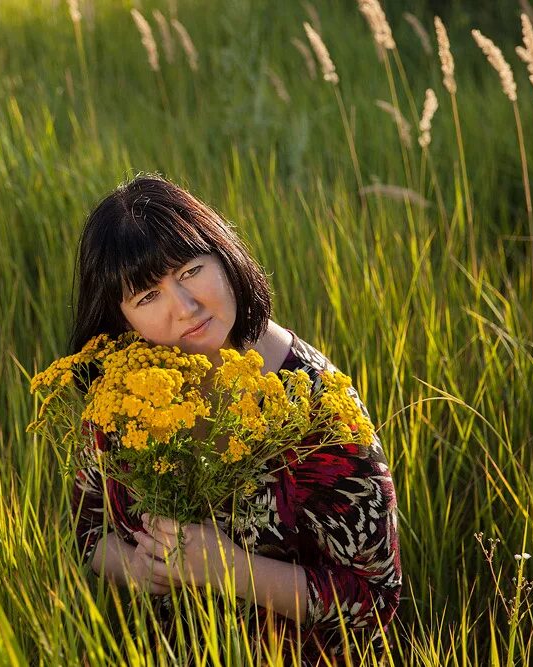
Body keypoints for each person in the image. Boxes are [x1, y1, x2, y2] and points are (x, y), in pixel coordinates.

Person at [67, 173, 402, 664]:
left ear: (224, 258)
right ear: (120, 317)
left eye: (189, 270)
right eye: (147, 297)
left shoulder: (315, 406)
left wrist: (230, 569)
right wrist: (136, 569)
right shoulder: (124, 390)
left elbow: (374, 597)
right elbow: (86, 531)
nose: (185, 308)